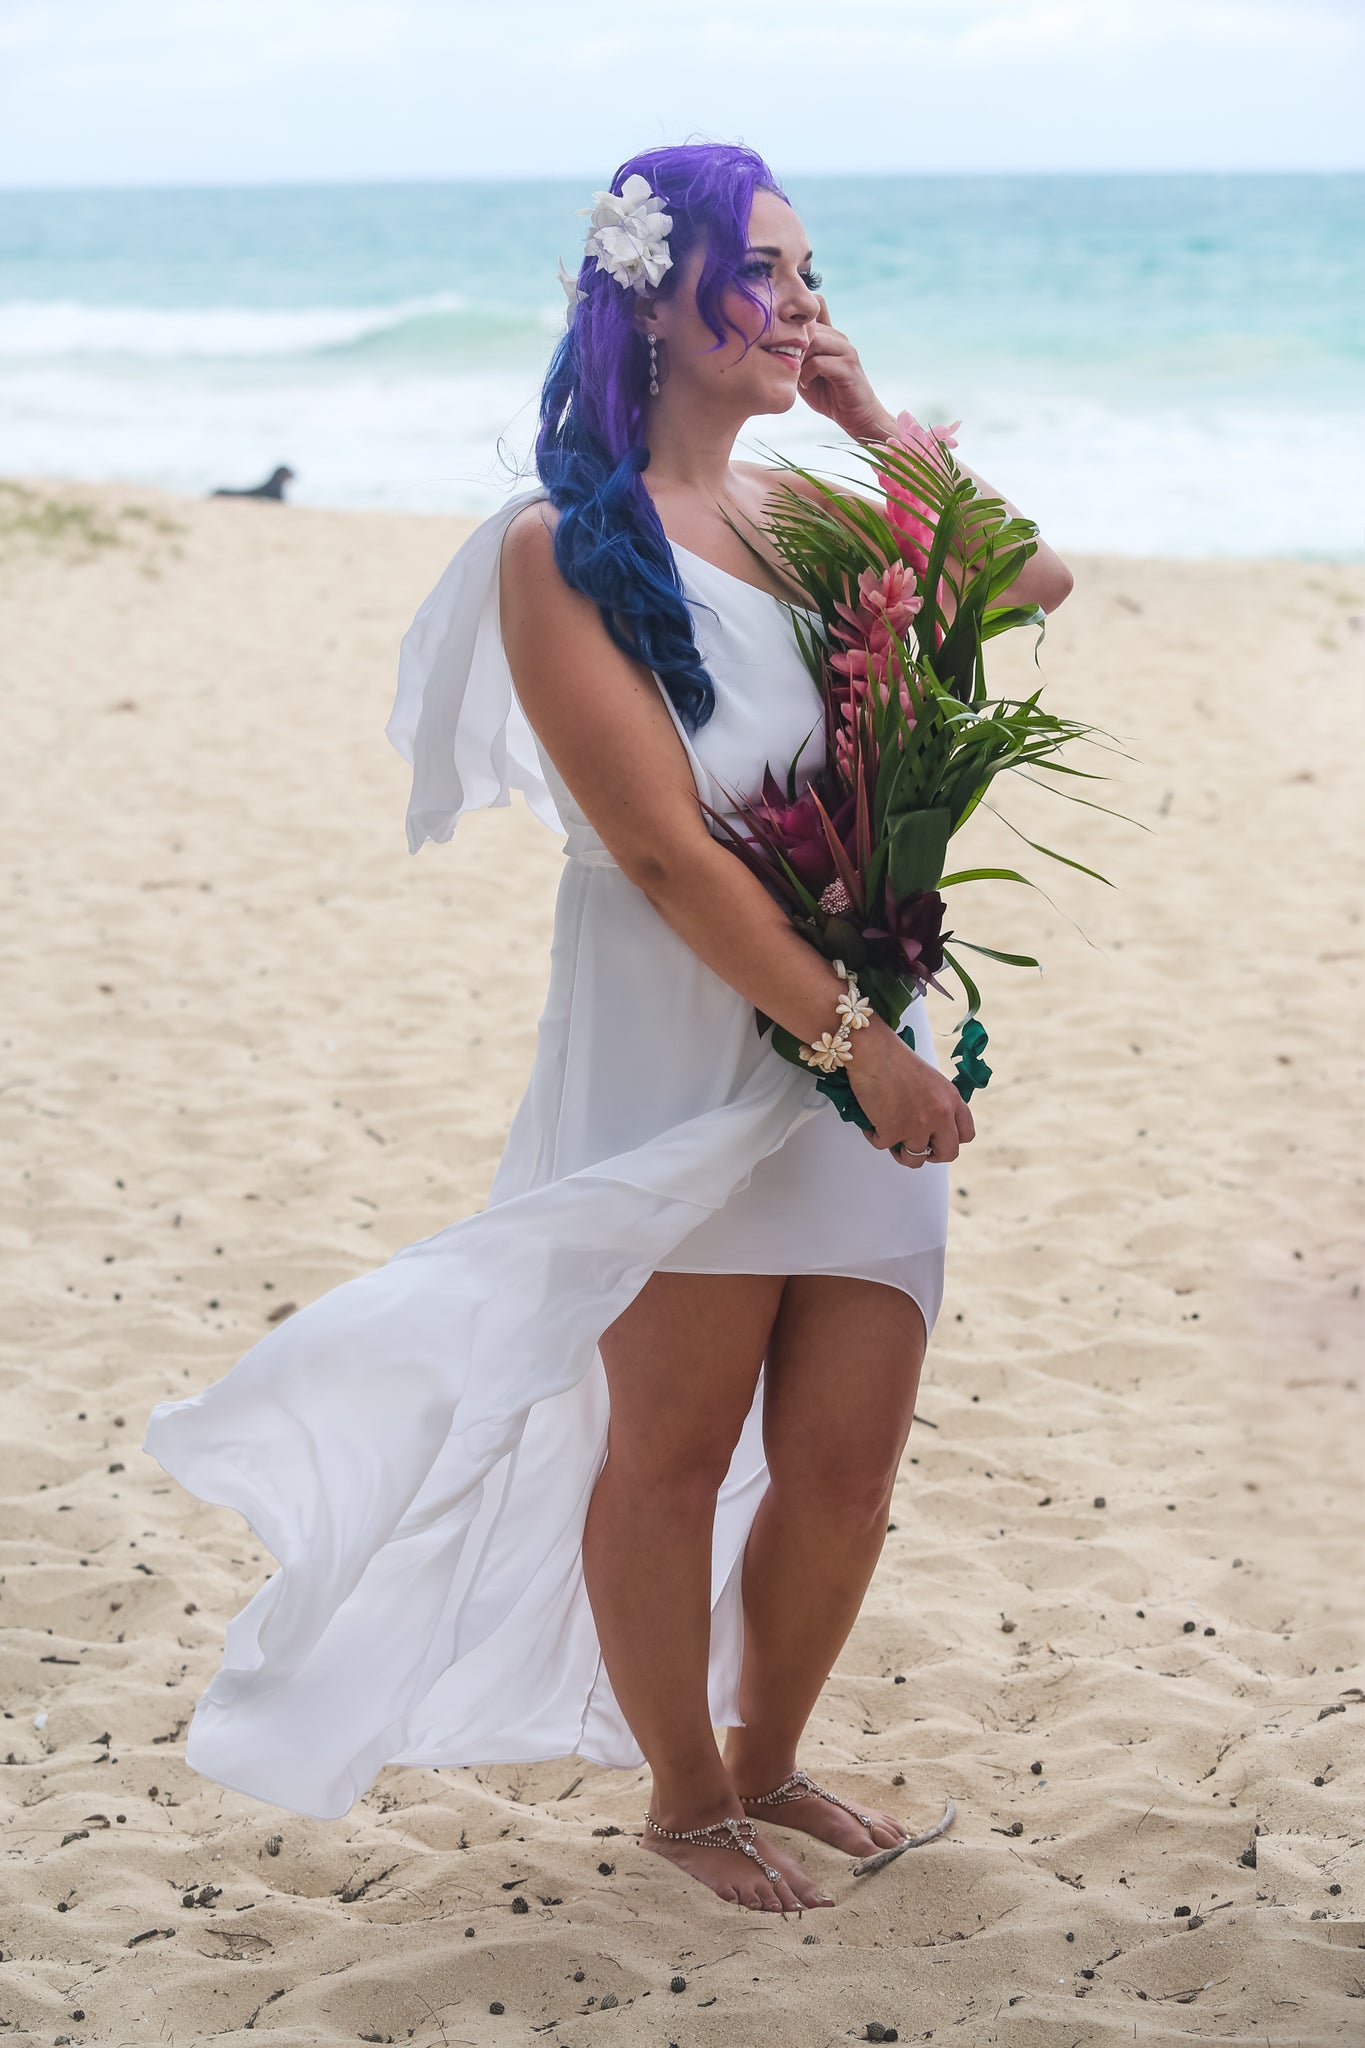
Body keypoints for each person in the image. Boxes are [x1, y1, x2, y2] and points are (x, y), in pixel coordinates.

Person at [144, 142, 1073, 1919]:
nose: (802, 306)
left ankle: (776, 1752)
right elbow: (658, 851)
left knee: (849, 1460)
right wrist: (847, 1043)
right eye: (769, 274)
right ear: (656, 301)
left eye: (816, 276)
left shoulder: (809, 512)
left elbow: (1027, 588)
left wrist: (877, 422)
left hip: (854, 1016)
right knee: (672, 1445)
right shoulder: (558, 547)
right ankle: (685, 1791)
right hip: (683, 1035)